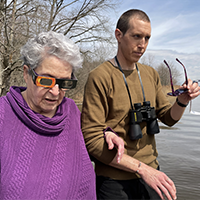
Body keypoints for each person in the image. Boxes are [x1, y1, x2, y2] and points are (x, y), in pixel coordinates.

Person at [81, 9, 200, 200]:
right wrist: (142, 169)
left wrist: (182, 101)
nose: (142, 45)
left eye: (147, 38)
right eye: (136, 36)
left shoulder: (150, 74)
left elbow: (169, 118)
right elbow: (92, 140)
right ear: (118, 35)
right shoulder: (100, 76)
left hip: (152, 176)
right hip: (114, 181)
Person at [0, 31, 96, 200]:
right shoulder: (3, 115)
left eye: (64, 83)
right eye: (46, 80)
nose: (55, 92)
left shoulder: (71, 110)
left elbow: (91, 132)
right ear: (26, 73)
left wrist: (107, 134)